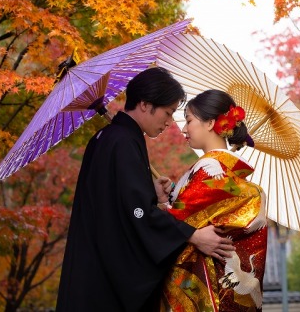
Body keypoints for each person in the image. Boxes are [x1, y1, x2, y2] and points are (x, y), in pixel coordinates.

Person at [57, 67, 235, 312]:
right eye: (168, 112)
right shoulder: (123, 141)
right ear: (144, 103)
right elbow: (137, 214)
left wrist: (153, 196)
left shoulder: (108, 138)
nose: (170, 122)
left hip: (91, 269)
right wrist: (191, 235)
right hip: (105, 284)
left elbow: (121, 206)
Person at [160, 89, 268, 312]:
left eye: (188, 120)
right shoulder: (221, 171)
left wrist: (161, 206)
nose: (183, 128)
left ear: (210, 123)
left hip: (203, 285)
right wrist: (172, 193)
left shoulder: (210, 170)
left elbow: (179, 219)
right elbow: (195, 210)